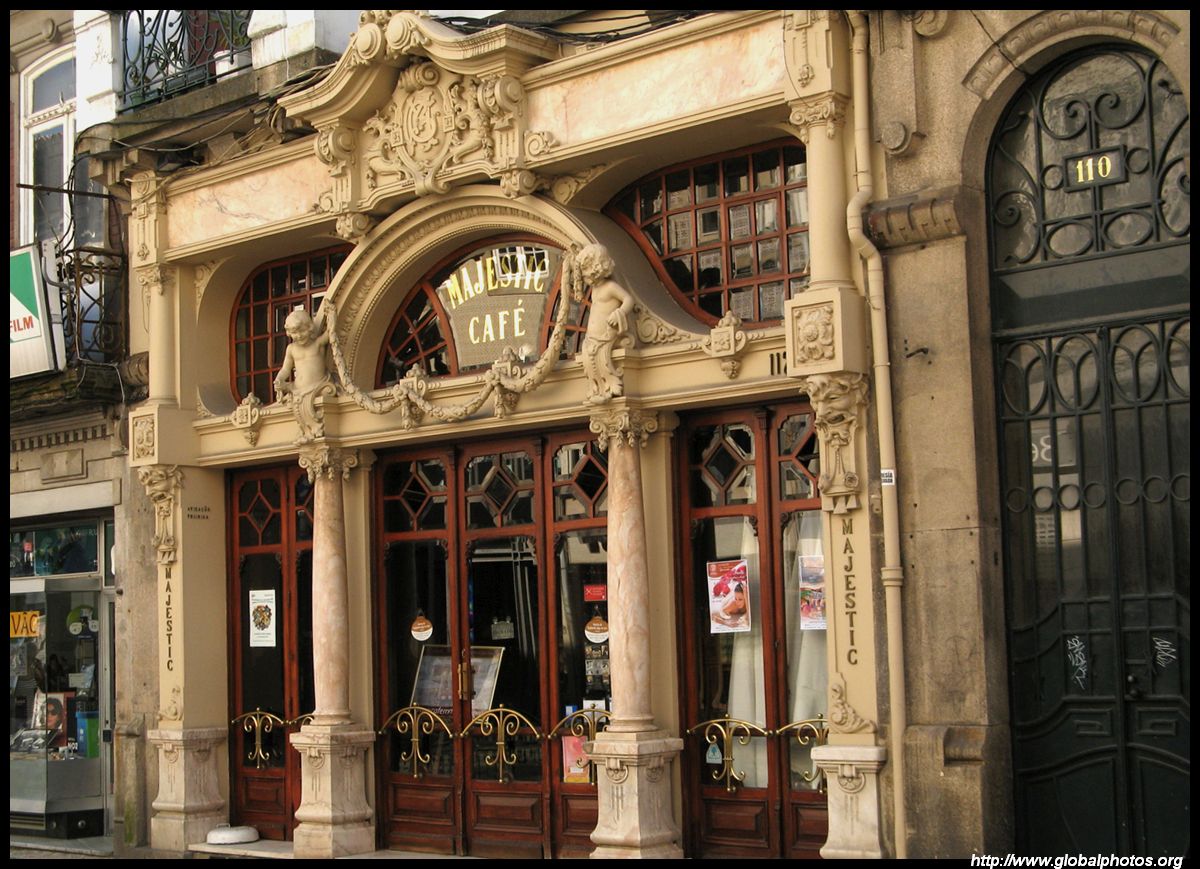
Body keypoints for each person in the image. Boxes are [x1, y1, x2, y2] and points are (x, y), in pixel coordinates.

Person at [578, 244, 635, 404]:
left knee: (603, 362)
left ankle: (607, 387)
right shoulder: (595, 289)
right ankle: (597, 387)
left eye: (586, 268)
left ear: (597, 267)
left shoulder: (610, 287)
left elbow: (628, 299)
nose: (584, 274)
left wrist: (620, 312)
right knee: (591, 363)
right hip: (592, 338)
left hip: (605, 336)